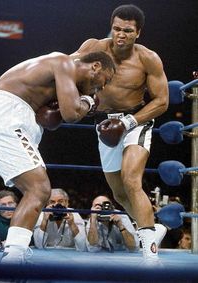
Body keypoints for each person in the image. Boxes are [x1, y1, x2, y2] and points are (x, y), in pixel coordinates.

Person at [0, 51, 115, 263]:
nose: (103, 87)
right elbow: (71, 114)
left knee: (35, 191)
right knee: (39, 189)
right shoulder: (63, 62)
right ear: (96, 66)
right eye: (107, 79)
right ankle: (13, 257)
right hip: (7, 119)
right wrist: (87, 101)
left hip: (16, 120)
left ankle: (15, 253)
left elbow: (51, 119)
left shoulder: (58, 76)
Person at [72, 4, 169, 263]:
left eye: (127, 30)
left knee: (131, 179)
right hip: (103, 126)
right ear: (111, 27)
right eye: (116, 29)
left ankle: (149, 251)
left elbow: (162, 101)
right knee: (119, 194)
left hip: (136, 122)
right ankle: (151, 228)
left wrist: (129, 122)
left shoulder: (148, 58)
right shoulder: (94, 47)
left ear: (138, 33)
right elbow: (65, 68)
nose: (120, 35)